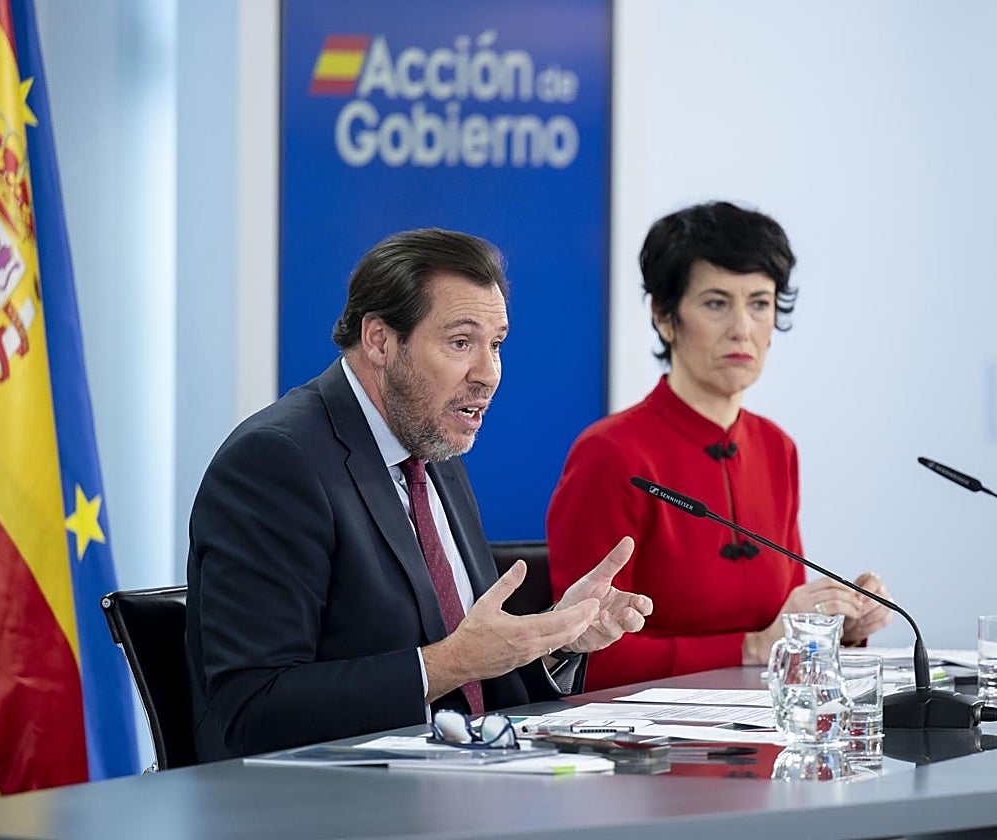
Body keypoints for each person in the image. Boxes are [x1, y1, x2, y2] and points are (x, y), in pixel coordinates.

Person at [186, 228, 653, 761]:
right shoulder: (275, 463)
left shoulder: (432, 450)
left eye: (496, 344)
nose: (488, 374)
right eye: (461, 343)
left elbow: (472, 673)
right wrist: (450, 663)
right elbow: (253, 711)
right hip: (332, 795)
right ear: (380, 340)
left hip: (464, 780)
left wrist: (554, 640)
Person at [546, 201, 891, 691]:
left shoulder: (776, 447)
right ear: (664, 317)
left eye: (760, 303)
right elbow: (585, 660)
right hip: (651, 734)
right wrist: (751, 648)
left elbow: (779, 630)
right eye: (716, 303)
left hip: (763, 726)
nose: (742, 328)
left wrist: (839, 625)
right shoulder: (611, 453)